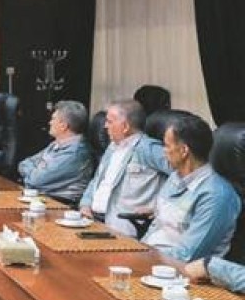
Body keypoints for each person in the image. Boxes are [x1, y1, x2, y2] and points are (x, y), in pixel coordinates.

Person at [141, 110, 239, 261]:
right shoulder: (175, 177)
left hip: (180, 270)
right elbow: (157, 225)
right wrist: (138, 250)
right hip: (151, 258)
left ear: (184, 151)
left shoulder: (217, 196)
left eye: (166, 146)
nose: (163, 151)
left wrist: (145, 258)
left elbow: (188, 254)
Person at [78, 98, 171, 236]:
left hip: (121, 227)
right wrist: (85, 204)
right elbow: (97, 180)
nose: (105, 126)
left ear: (125, 126)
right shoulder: (112, 147)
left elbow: (185, 174)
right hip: (92, 220)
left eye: (109, 121)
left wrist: (159, 207)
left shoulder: (148, 149)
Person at [17, 100, 96, 204]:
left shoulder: (76, 153)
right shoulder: (56, 144)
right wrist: (35, 173)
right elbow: (24, 164)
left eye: (53, 119)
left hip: (61, 204)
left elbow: (35, 180)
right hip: (41, 199)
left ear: (63, 126)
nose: (50, 122)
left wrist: (34, 173)